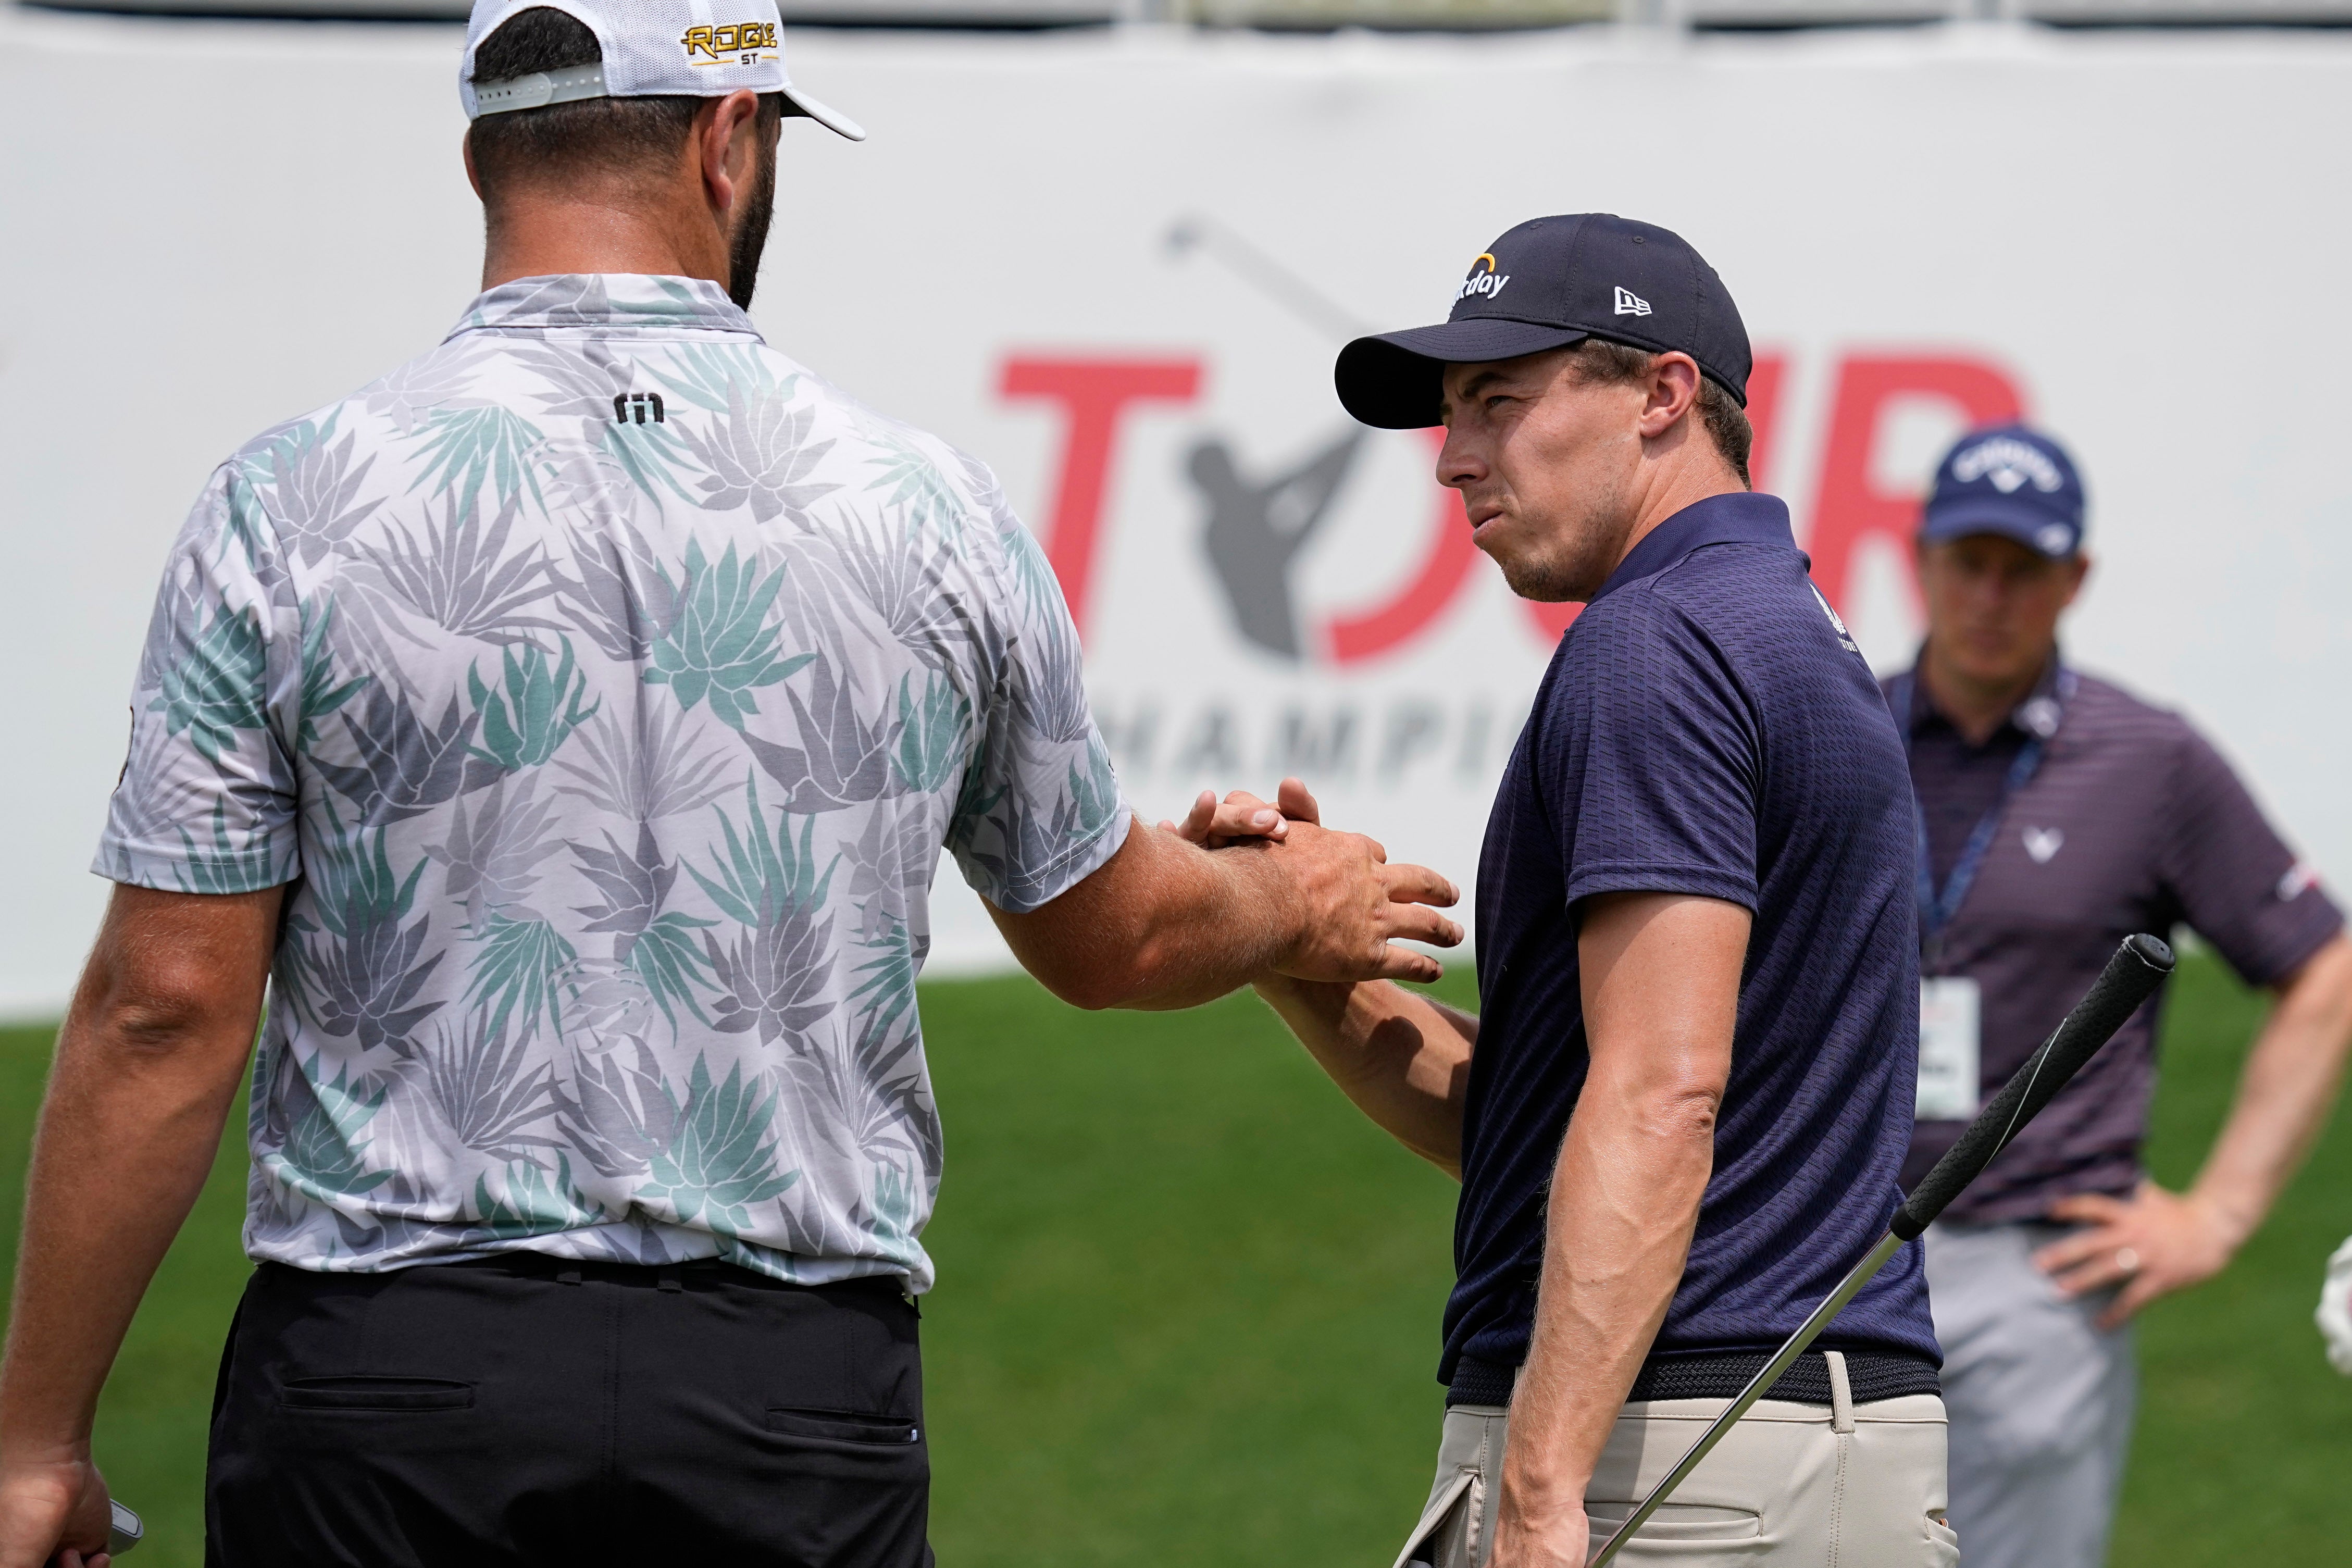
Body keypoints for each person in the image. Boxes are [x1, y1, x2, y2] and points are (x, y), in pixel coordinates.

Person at [0, 4, 1462, 1563]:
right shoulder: (925, 513)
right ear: (728, 138)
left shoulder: (285, 504)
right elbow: (1115, 938)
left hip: (389, 1381)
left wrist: (35, 1444)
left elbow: (165, 1005)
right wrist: (1292, 897)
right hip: (788, 1398)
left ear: (483, 156)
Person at [1202, 214, 1952, 1567]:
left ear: (1663, 395)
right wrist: (1294, 950)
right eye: (1447, 414)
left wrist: (1544, 1494)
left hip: (1677, 1460)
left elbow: (1660, 1099)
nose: (1453, 458)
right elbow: (1542, 1125)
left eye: (1498, 400)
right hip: (1776, 1449)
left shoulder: (1652, 647)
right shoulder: (1779, 627)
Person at [1888, 422, 2352, 1568]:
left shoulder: (2147, 759)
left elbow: (2323, 966)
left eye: (2023, 567)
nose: (1990, 594)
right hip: (1836, 1249)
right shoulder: (1833, 730)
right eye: (1968, 560)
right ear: (1920, 559)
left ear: (2074, 577)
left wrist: (2219, 1212)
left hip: (2038, 1269)